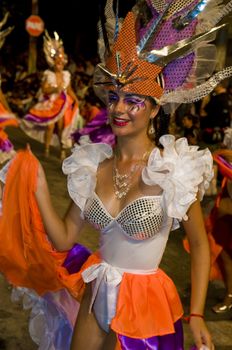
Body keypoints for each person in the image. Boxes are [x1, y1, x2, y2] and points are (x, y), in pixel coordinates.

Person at [1, 0, 232, 349]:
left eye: (134, 100)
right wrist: (39, 187)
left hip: (145, 306)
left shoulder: (173, 170)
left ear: (155, 109)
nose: (119, 109)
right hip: (95, 294)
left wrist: (196, 314)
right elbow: (63, 238)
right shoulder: (91, 166)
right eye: (114, 97)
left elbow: (200, 246)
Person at [21, 31, 79, 160]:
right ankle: (47, 148)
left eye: (61, 62)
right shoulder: (48, 74)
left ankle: (62, 148)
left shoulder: (67, 75)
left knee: (61, 127)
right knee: (50, 126)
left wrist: (76, 100)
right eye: (57, 62)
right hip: (51, 103)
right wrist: (54, 90)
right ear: (54, 62)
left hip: (63, 103)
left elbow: (69, 90)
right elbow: (44, 89)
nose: (59, 64)